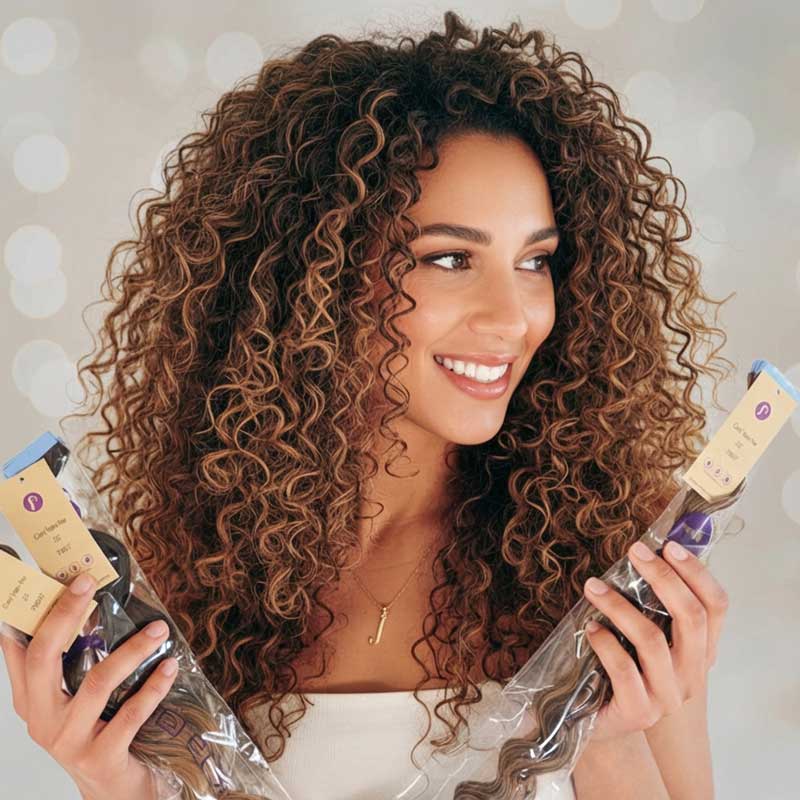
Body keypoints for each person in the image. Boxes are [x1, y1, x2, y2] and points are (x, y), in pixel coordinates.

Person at [1, 10, 734, 800]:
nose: (514, 316)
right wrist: (108, 780)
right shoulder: (178, 574)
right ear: (311, 274)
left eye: (536, 261)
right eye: (451, 259)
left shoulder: (615, 561)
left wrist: (607, 744)